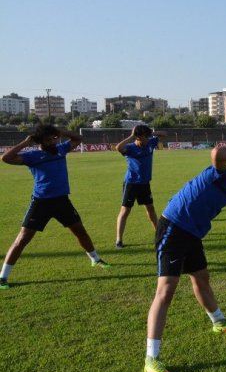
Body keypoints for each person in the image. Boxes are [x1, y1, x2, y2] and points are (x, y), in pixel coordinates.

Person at [144, 143, 226, 372]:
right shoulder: (225, 170)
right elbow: (217, 153)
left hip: (193, 232)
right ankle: (151, 359)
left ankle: (219, 322)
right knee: (166, 290)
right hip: (174, 227)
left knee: (201, 278)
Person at [1, 124, 109, 290]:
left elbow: (78, 138)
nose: (53, 140)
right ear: (40, 140)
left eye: (54, 137)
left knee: (80, 231)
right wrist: (25, 142)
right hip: (41, 202)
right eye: (48, 138)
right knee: (23, 239)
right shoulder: (33, 155)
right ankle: (3, 277)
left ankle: (95, 259)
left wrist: (60, 132)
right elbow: (6, 158)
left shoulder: (61, 149)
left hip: (62, 201)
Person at [115, 125, 164, 248]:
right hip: (131, 183)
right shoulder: (130, 148)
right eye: (145, 137)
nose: (148, 139)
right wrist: (131, 136)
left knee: (150, 208)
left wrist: (152, 132)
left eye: (148, 137)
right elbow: (118, 147)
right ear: (138, 137)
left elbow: (164, 134)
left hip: (145, 183)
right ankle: (119, 240)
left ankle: (159, 235)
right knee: (125, 210)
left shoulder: (151, 142)